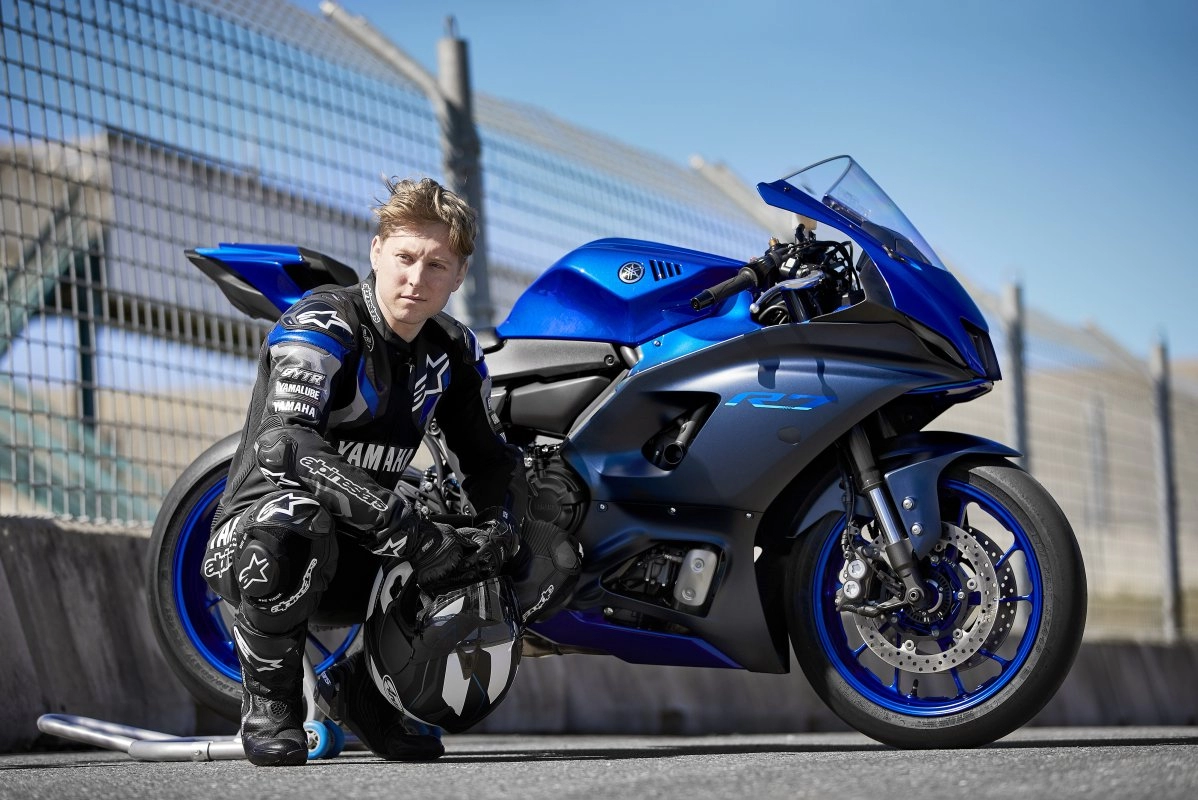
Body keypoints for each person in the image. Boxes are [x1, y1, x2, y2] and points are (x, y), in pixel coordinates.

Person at [201, 177, 523, 767]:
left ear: (458, 275)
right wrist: (412, 534)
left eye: (436, 265)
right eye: (404, 257)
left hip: (367, 549)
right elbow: (286, 445)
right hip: (258, 534)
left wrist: (498, 531)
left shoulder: (453, 347)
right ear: (376, 252)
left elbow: (489, 461)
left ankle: (366, 695)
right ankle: (271, 704)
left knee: (519, 546)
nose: (416, 278)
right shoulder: (325, 319)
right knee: (296, 521)